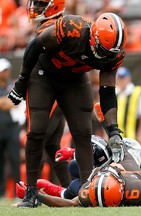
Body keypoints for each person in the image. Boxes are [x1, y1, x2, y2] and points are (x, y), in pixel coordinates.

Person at [7, 11, 127, 208]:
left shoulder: (114, 53)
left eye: (110, 54)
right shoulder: (73, 28)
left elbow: (107, 92)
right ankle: (31, 192)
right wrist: (21, 82)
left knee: (83, 132)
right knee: (37, 130)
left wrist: (113, 131)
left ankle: (88, 192)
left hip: (74, 80)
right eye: (103, 51)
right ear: (94, 37)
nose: (106, 57)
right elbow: (35, 45)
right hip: (43, 73)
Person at [22, 0, 71, 189]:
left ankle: (31, 191)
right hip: (54, 96)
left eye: (42, 4)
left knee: (37, 143)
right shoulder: (53, 26)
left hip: (49, 95)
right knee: (52, 146)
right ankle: (72, 189)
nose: (37, 8)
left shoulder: (52, 28)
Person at [0, 58, 25, 198]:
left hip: (12, 128)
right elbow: (8, 102)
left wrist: (5, 102)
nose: (6, 73)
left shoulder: (12, 85)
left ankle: (18, 191)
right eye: (3, 70)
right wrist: (6, 102)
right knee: (0, 162)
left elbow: (15, 102)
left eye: (7, 70)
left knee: (15, 159)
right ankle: (1, 192)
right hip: (0, 129)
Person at [116, 66, 141, 146]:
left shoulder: (137, 92)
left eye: (123, 78)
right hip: (117, 138)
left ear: (128, 78)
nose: (122, 81)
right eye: (119, 78)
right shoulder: (116, 93)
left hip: (133, 136)